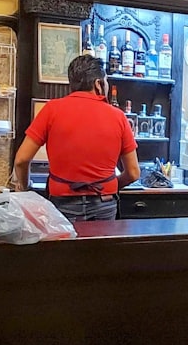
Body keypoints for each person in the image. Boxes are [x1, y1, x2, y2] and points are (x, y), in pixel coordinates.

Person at [13, 55, 139, 222]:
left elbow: (21, 160)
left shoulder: (51, 110)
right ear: (98, 84)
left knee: (66, 248)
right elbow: (133, 173)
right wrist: (109, 186)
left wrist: (24, 188)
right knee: (103, 249)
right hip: (104, 203)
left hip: (62, 203)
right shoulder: (119, 117)